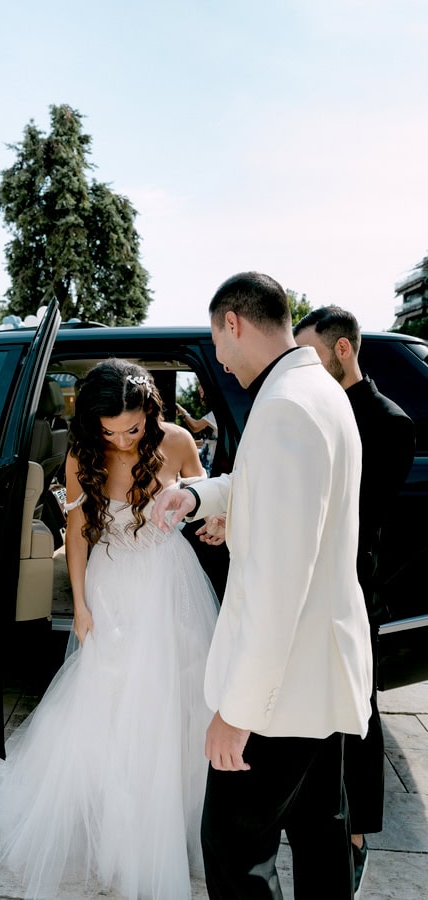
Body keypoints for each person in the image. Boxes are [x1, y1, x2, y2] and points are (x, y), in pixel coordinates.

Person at [151, 272, 373, 900]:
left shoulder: (283, 409)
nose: (216, 361)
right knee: (321, 838)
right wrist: (200, 495)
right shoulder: (319, 392)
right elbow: (292, 507)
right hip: (321, 677)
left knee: (235, 852)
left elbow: (279, 585)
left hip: (281, 692)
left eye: (217, 344)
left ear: (234, 323)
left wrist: (237, 712)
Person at [0, 358, 219, 900]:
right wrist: (81, 605)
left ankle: (177, 826)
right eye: (110, 431)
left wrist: (216, 521)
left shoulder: (177, 441)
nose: (123, 440)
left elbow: (207, 500)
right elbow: (77, 534)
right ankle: (120, 831)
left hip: (169, 582)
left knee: (175, 702)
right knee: (112, 706)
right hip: (111, 585)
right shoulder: (82, 453)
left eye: (132, 428)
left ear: (150, 411)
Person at [294, 306, 415, 896]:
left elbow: (361, 521)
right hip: (303, 582)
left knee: (356, 712)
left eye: (312, 355)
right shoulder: (316, 409)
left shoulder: (389, 423)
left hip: (351, 587)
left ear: (343, 350)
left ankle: (356, 836)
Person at [176, 384, 218, 476]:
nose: (199, 387)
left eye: (202, 385)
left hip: (211, 464)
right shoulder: (212, 413)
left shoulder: (216, 413)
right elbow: (206, 442)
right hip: (206, 461)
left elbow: (195, 427)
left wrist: (183, 413)